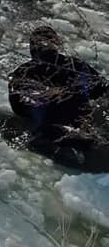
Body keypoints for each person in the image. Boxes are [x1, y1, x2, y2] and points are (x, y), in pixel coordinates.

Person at [8, 25, 107, 156]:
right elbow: (102, 90)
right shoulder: (77, 66)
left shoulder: (22, 72)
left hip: (48, 136)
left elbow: (19, 109)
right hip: (85, 131)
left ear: (32, 48)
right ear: (56, 44)